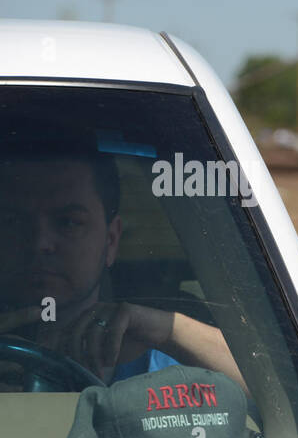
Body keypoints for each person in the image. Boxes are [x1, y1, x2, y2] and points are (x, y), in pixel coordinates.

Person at [0, 149, 245, 390]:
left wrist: (170, 332)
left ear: (111, 241)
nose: (40, 243)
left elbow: (275, 392)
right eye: (11, 222)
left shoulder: (162, 362)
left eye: (69, 222)